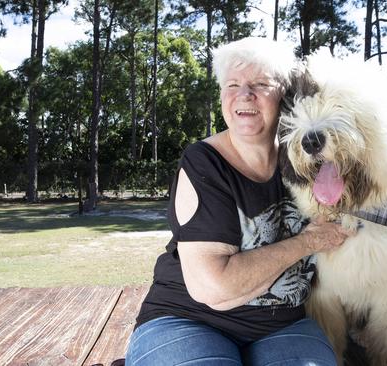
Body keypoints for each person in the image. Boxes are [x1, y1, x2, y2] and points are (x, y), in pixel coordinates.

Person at [125, 37, 351, 366]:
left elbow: (375, 206)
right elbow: (214, 288)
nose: (244, 94)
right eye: (232, 84)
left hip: (282, 325)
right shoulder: (204, 162)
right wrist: (309, 242)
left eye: (260, 84)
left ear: (285, 95)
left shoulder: (310, 155)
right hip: (187, 319)